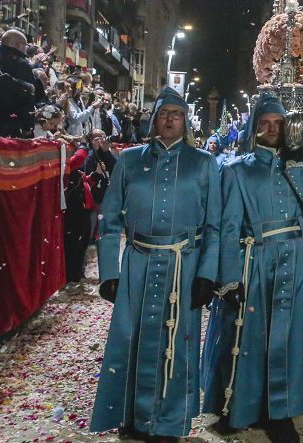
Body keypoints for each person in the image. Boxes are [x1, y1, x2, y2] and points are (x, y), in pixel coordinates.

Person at [90, 87, 222, 441]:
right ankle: (130, 416)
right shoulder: (130, 160)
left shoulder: (205, 164)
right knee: (129, 338)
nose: (169, 119)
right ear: (154, 119)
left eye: (176, 114)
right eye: (164, 113)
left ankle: (168, 423)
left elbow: (214, 226)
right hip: (138, 264)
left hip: (185, 265)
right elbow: (109, 219)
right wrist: (110, 273)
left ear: (184, 121)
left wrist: (207, 275)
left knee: (177, 342)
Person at [201, 95, 303, 436]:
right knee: (246, 334)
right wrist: (228, 278)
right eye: (266, 124)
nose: (273, 130)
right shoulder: (236, 170)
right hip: (253, 259)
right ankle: (238, 406)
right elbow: (227, 228)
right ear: (255, 127)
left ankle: (280, 411)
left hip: (295, 258)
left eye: (279, 124)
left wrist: (296, 168)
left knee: (288, 335)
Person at [0, 28, 43, 136]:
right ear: (17, 44)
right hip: (11, 125)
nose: (26, 48)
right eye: (25, 44)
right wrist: (28, 125)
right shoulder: (21, 64)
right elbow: (28, 97)